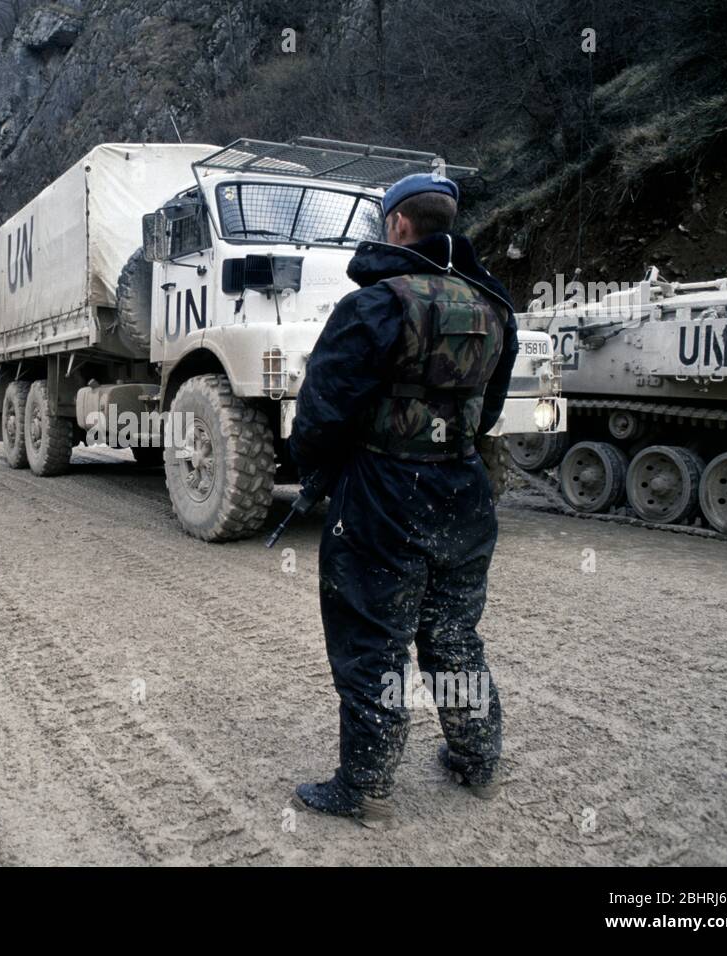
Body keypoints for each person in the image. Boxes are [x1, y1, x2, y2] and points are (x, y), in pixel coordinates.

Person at [288, 171, 519, 824]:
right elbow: (490, 411)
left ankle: (366, 789)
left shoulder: (374, 305)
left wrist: (322, 474)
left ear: (396, 226)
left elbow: (321, 413)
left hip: (383, 495)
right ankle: (478, 761)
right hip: (466, 492)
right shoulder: (494, 307)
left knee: (373, 641)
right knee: (452, 635)